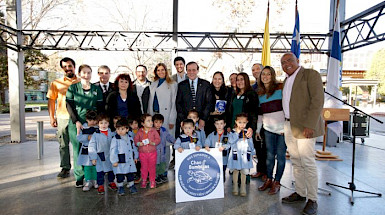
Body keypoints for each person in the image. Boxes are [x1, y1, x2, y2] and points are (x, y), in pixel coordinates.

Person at [280, 52, 324, 215]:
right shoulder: (286, 80)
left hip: (305, 126)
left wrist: (310, 124)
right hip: (289, 124)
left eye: (290, 60)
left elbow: (317, 100)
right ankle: (300, 193)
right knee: (296, 161)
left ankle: (312, 199)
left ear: (297, 60)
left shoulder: (310, 74)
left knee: (307, 161)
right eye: (283, 62)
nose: (287, 64)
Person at [66, 64, 104, 187]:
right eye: (84, 72)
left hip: (92, 123)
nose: (86, 75)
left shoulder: (96, 89)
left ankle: (92, 176)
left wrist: (97, 122)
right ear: (79, 73)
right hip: (76, 122)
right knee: (78, 149)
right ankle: (79, 176)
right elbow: (69, 105)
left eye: (89, 72)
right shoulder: (73, 88)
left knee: (93, 148)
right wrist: (76, 121)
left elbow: (99, 107)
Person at [256, 66, 286, 195]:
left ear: (272, 75)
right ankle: (269, 179)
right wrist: (258, 130)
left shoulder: (280, 88)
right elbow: (260, 114)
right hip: (268, 129)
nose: (265, 76)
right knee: (269, 156)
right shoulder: (259, 93)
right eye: (263, 74)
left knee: (280, 156)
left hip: (282, 130)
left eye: (268, 74)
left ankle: (277, 182)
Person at [47, 57, 79, 178]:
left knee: (78, 144)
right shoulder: (56, 83)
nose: (67, 69)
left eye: (69, 66)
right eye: (65, 67)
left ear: (74, 67)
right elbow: (51, 101)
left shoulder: (80, 82)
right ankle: (65, 167)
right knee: (63, 144)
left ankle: (79, 168)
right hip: (62, 117)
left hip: (76, 118)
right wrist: (51, 117)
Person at [176, 61, 213, 137]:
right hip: (186, 123)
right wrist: (183, 120)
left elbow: (209, 102)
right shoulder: (181, 85)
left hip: (201, 122)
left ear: (197, 70)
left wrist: (203, 119)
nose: (191, 72)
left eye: (193, 70)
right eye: (189, 70)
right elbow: (178, 103)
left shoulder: (205, 84)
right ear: (186, 71)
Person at [142, 63, 177, 136]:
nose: (160, 72)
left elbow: (174, 103)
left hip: (166, 115)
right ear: (156, 72)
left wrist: (172, 120)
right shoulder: (153, 84)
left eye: (162, 70)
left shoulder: (172, 84)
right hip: (154, 114)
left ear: (166, 71)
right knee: (154, 138)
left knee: (166, 139)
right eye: (158, 70)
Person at [227, 113, 255, 197]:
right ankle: (235, 186)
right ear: (236, 122)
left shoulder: (247, 132)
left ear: (247, 122)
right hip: (236, 155)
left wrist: (253, 152)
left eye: (244, 123)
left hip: (245, 155)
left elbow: (251, 143)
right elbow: (230, 141)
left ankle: (243, 187)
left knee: (244, 171)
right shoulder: (232, 132)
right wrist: (236, 134)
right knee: (236, 171)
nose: (242, 125)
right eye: (240, 122)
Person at [89, 114, 116, 195]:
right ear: (98, 124)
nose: (103, 125)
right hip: (100, 156)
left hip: (111, 156)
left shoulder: (112, 133)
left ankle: (111, 182)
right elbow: (91, 146)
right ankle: (100, 184)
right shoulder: (96, 135)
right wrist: (93, 157)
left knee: (111, 170)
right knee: (100, 171)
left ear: (108, 123)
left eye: (105, 123)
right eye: (101, 123)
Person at [110, 118, 139, 196]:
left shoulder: (130, 138)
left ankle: (132, 185)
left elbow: (134, 148)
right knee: (120, 175)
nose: (120, 131)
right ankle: (120, 187)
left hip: (129, 160)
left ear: (127, 129)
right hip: (120, 162)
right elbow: (113, 151)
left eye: (122, 129)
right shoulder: (115, 139)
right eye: (118, 129)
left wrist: (135, 156)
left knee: (130, 174)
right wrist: (114, 161)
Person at [134, 114, 161, 189]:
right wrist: (139, 143)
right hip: (142, 153)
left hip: (152, 153)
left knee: (152, 167)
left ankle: (152, 180)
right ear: (143, 123)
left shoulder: (154, 131)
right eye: (148, 121)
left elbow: (158, 139)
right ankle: (144, 180)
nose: (151, 122)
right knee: (144, 167)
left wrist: (153, 143)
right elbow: (136, 140)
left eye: (151, 120)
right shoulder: (140, 131)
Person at [250, 63, 267, 180]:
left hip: (268, 121)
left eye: (257, 69)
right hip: (255, 121)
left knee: (267, 149)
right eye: (253, 70)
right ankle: (260, 170)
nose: (255, 71)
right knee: (258, 147)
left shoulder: (268, 86)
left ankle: (267, 173)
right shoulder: (252, 88)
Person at [76, 110, 99, 192]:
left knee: (95, 166)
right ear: (86, 119)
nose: (92, 122)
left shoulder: (98, 128)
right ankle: (88, 181)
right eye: (90, 120)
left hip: (95, 150)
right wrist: (86, 138)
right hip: (86, 150)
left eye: (94, 120)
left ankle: (96, 180)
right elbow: (78, 138)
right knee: (87, 166)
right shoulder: (83, 127)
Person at [206, 71, 233, 135]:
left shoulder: (228, 91)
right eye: (215, 79)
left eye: (219, 79)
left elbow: (230, 109)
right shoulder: (207, 91)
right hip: (210, 123)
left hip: (223, 124)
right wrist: (211, 113)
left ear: (223, 80)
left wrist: (228, 125)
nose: (217, 81)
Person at [204, 116, 230, 182]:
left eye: (221, 123)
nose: (219, 126)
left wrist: (224, 146)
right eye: (217, 124)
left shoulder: (228, 135)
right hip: (214, 158)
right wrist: (206, 146)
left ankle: (222, 186)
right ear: (214, 124)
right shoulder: (211, 135)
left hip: (224, 158)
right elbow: (207, 141)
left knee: (222, 172)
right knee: (214, 172)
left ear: (224, 124)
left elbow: (230, 143)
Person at [153, 114, 175, 184]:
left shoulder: (164, 130)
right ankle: (155, 176)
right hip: (154, 152)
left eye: (160, 122)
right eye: (156, 122)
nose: (158, 124)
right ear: (153, 122)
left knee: (162, 164)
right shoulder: (151, 131)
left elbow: (169, 137)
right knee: (155, 164)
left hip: (162, 151)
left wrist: (175, 141)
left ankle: (161, 174)